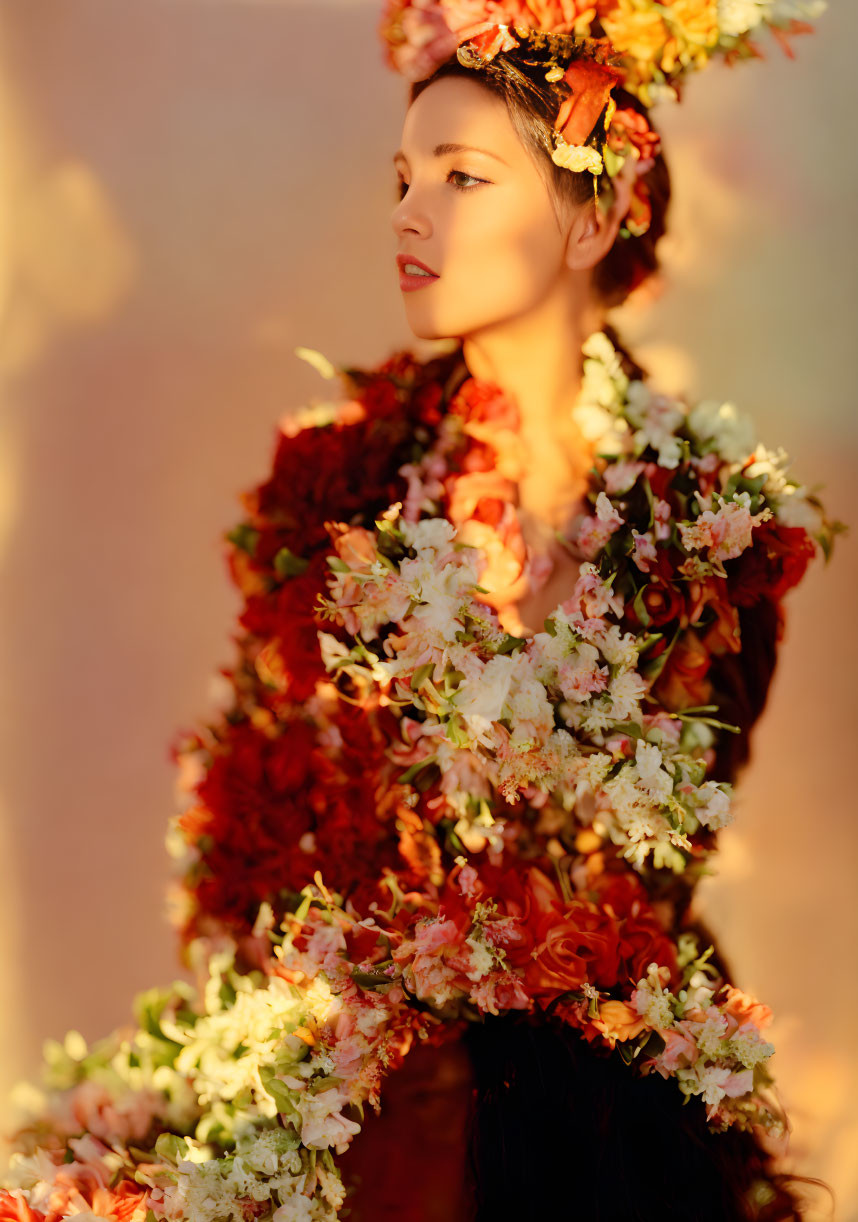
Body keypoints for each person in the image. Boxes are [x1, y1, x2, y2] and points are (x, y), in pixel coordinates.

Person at [0, 5, 839, 1222]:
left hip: (588, 1091)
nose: (409, 211)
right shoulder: (332, 483)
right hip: (363, 1068)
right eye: (403, 177)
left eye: (462, 176)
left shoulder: (712, 524)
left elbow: (662, 861)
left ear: (596, 215)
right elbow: (260, 808)